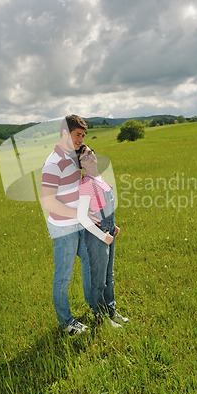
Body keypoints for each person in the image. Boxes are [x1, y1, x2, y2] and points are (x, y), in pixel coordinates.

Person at [41, 115, 94, 335]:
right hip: (64, 228)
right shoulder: (53, 164)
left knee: (91, 261)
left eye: (83, 135)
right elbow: (49, 201)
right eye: (77, 135)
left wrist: (87, 153)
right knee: (63, 276)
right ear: (65, 134)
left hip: (79, 222)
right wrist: (77, 213)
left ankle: (95, 306)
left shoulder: (73, 155)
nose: (81, 139)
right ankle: (66, 323)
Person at [77, 144, 129, 328]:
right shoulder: (86, 183)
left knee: (109, 275)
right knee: (98, 280)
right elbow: (83, 217)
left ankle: (112, 310)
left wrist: (113, 225)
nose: (91, 157)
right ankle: (101, 317)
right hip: (97, 235)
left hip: (108, 228)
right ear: (80, 164)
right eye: (85, 157)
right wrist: (102, 235)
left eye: (91, 153)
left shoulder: (99, 178)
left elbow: (104, 208)